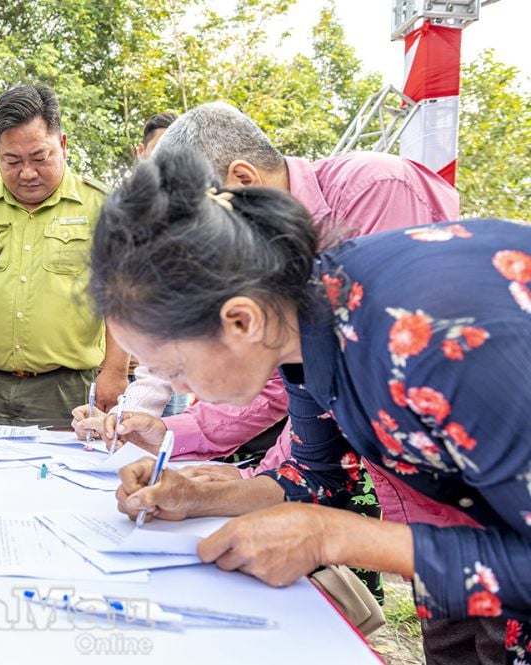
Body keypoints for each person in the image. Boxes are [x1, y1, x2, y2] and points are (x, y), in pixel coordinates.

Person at [94, 147, 530, 664]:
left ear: (240, 322)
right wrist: (196, 497)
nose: (171, 386)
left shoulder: (434, 336)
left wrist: (332, 538)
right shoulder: (308, 321)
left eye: (173, 369)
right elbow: (317, 477)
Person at [74, 102, 466, 525]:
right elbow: (309, 455)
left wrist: (311, 522)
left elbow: (379, 384)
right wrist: (185, 454)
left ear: (242, 180)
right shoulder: (293, 317)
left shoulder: (376, 192)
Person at [0, 84, 129, 427]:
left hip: (68, 390)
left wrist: (115, 371)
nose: (27, 173)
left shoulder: (103, 207)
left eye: (39, 158)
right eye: (12, 161)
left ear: (62, 144)